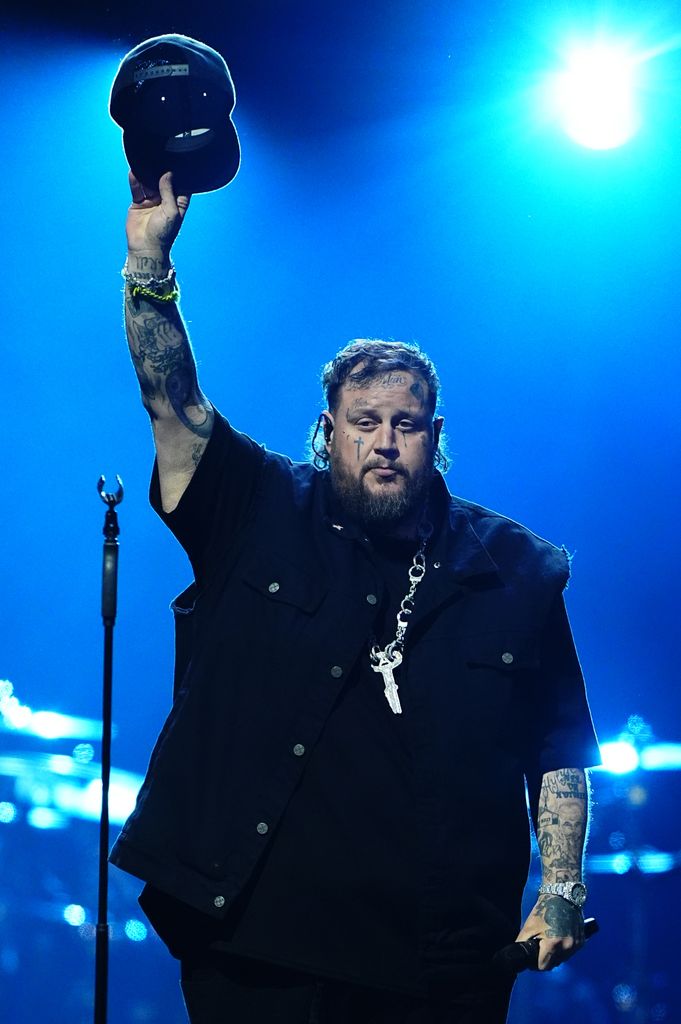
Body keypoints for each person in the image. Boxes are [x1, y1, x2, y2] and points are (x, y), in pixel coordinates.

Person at [110, 171, 601, 1024]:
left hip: (438, 960)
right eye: (363, 422)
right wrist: (147, 259)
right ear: (325, 431)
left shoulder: (516, 570)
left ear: (434, 439)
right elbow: (175, 403)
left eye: (404, 425)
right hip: (256, 945)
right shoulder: (258, 509)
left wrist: (558, 888)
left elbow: (556, 744)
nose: (384, 443)